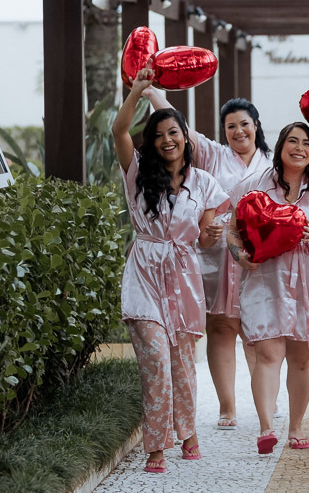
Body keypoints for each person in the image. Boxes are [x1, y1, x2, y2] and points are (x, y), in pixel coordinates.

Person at [112, 68, 229, 474]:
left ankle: (188, 432)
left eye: (173, 132)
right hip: (144, 274)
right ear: (152, 140)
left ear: (185, 136)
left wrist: (212, 232)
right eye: (159, 134)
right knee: (157, 362)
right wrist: (139, 93)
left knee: (181, 361)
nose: (167, 140)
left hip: (183, 279)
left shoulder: (207, 184)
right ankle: (156, 444)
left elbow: (205, 240)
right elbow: (119, 131)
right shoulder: (137, 174)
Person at [142, 90, 272, 430]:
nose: (238, 131)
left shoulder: (271, 165)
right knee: (221, 327)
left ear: (256, 126)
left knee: (257, 331)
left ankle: (265, 404)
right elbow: (178, 126)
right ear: (224, 131)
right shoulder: (213, 155)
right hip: (215, 252)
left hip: (258, 256)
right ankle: (227, 406)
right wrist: (154, 94)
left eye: (244, 124)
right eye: (231, 126)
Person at [226, 122, 309, 455]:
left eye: (306, 143)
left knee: (302, 357)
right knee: (268, 352)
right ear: (280, 146)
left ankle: (297, 427)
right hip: (266, 278)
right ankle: (266, 428)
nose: (299, 148)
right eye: (292, 141)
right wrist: (238, 256)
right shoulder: (257, 184)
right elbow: (232, 228)